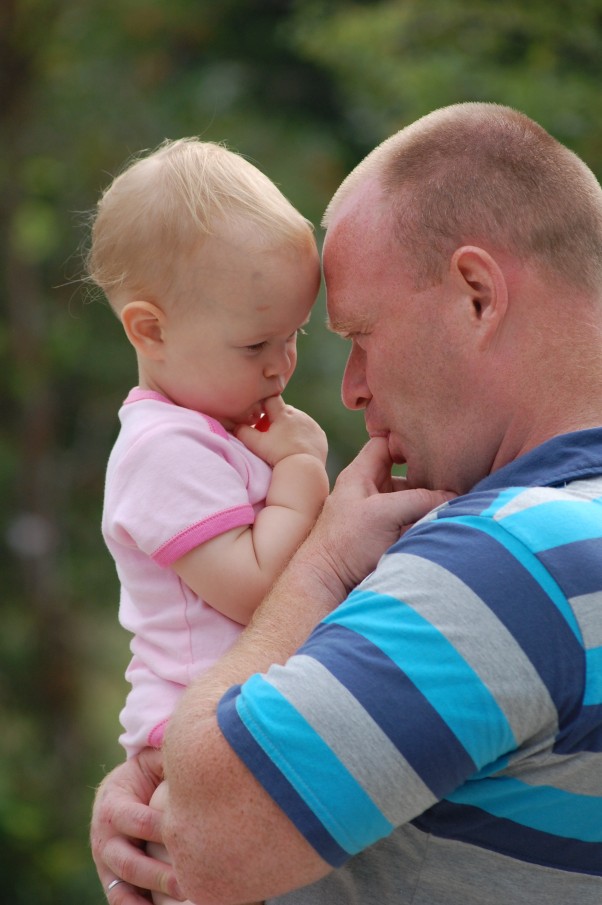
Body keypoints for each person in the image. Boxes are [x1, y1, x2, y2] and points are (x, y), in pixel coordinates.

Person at [91, 102, 602, 905]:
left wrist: (327, 559)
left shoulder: (510, 562)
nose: (348, 386)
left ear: (477, 294)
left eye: (359, 335)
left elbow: (207, 837)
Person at [86, 138, 330, 905]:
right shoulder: (163, 449)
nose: (281, 365)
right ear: (149, 330)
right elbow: (259, 589)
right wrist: (302, 471)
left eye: (294, 335)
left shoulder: (215, 429)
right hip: (196, 743)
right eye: (257, 343)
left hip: (235, 723)